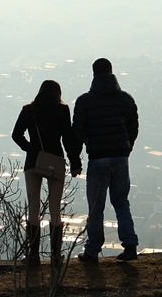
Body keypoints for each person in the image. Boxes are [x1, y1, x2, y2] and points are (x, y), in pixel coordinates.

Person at [72, 58, 139, 263]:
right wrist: (126, 148)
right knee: (121, 202)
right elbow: (133, 127)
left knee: (96, 206)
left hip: (98, 158)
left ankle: (92, 251)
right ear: (111, 72)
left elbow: (77, 132)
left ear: (93, 74)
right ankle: (129, 246)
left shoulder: (85, 101)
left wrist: (75, 160)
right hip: (120, 158)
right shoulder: (125, 99)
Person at [12, 80, 82, 264]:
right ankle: (55, 255)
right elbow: (67, 138)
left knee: (33, 209)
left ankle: (33, 255)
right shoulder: (62, 110)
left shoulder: (29, 110)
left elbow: (16, 135)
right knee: (55, 209)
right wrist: (75, 162)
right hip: (55, 161)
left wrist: (31, 149)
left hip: (33, 162)